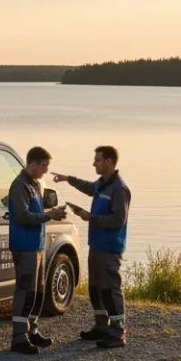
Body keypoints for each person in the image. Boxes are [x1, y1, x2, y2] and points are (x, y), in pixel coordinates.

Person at [54, 146, 132, 349]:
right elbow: (89, 187)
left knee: (110, 289)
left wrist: (91, 218)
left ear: (108, 162)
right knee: (95, 288)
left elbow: (118, 220)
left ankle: (117, 333)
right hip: (96, 245)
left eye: (97, 160)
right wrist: (67, 178)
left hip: (109, 247)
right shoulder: (102, 184)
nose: (93, 163)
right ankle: (101, 327)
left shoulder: (119, 189)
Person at [8, 146, 68, 355]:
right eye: (44, 166)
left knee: (38, 292)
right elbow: (23, 216)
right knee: (25, 291)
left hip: (37, 245)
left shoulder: (35, 184)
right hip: (24, 247)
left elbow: (36, 212)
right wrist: (49, 216)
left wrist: (50, 212)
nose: (45, 171)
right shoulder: (19, 186)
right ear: (33, 164)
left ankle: (32, 330)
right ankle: (18, 338)